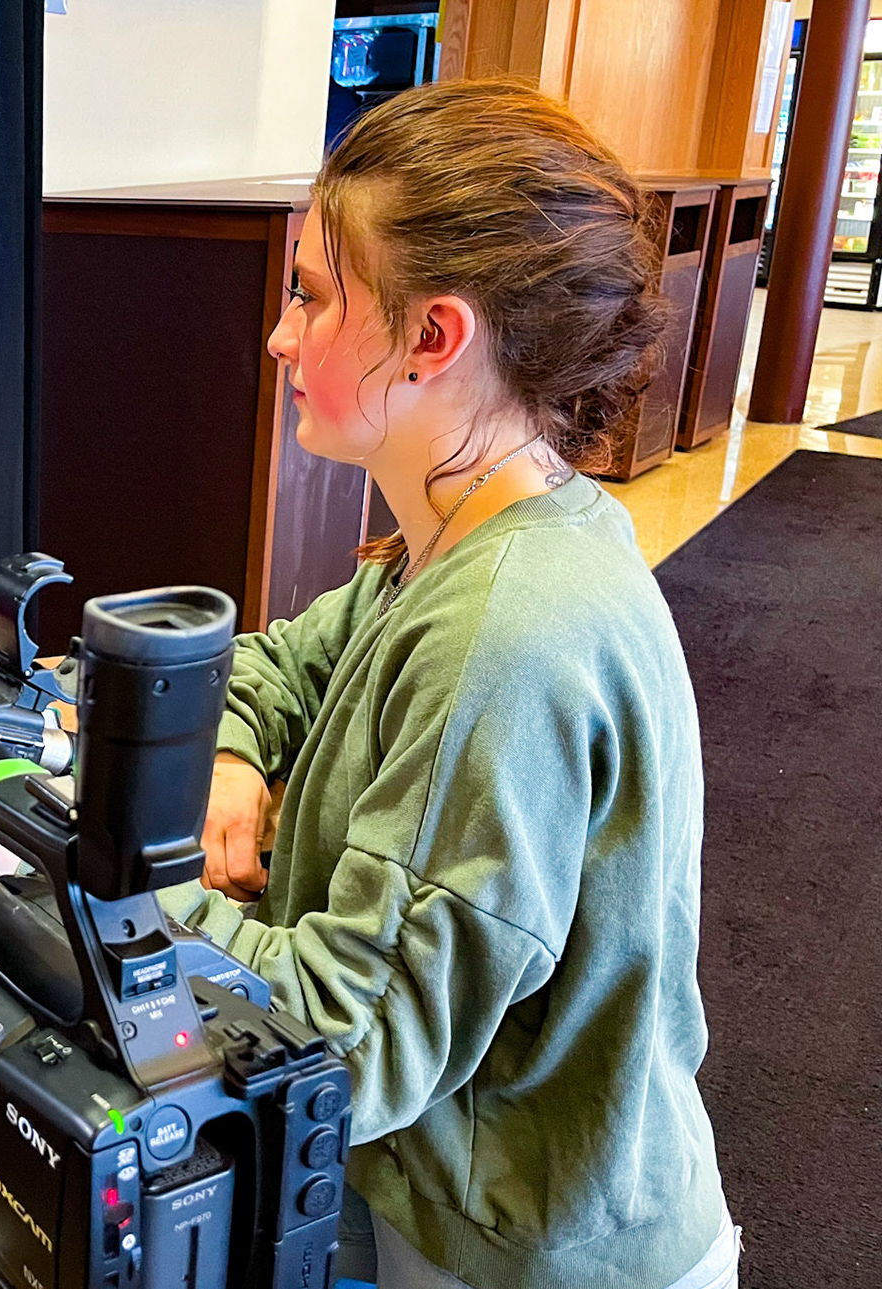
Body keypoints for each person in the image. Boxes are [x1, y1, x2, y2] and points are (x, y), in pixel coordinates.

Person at [162, 81, 737, 1289]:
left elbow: (349, 1043)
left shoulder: (504, 632)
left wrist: (130, 885)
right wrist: (229, 755)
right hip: (447, 1195)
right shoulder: (462, 536)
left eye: (312, 298)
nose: (279, 337)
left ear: (433, 337)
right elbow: (277, 661)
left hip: (520, 1250)